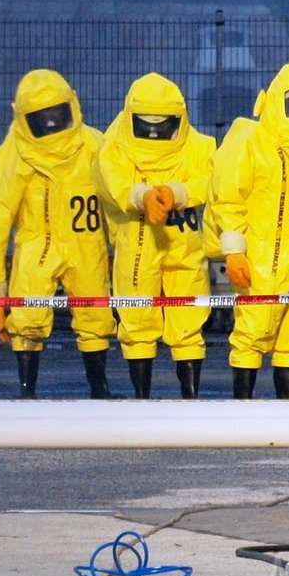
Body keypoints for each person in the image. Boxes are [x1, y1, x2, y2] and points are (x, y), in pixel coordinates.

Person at [204, 64, 289, 399]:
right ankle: (243, 405)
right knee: (253, 329)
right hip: (259, 255)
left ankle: (287, 406)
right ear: (278, 100)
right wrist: (233, 250)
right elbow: (227, 198)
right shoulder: (249, 141)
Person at [0, 69, 117, 399]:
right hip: (37, 243)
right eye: (43, 118)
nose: (52, 124)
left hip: (85, 242)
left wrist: (122, 247)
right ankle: (27, 392)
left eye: (57, 114)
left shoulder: (93, 143)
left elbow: (113, 200)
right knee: (27, 317)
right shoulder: (15, 154)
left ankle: (99, 389)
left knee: (96, 315)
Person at [95, 72, 216, 399]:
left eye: (161, 125)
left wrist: (176, 193)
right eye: (146, 124)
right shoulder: (115, 145)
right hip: (137, 243)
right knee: (136, 322)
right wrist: (142, 197)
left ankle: (190, 398)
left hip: (185, 244)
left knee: (188, 320)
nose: (153, 131)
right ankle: (142, 399)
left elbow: (210, 179)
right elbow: (111, 181)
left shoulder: (199, 145)